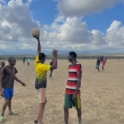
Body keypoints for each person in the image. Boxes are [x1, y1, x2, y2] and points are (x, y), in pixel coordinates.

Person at [33, 35, 58, 124]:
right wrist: (55, 56)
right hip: (41, 87)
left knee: (44, 101)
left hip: (37, 85)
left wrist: (38, 40)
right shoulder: (42, 66)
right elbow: (55, 66)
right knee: (42, 104)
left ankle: (36, 119)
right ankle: (39, 122)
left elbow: (38, 50)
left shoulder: (37, 61)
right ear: (43, 59)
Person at [0, 57, 26, 123]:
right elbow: (0, 79)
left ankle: (10, 111)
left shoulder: (14, 69)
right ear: (9, 61)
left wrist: (21, 82)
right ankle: (2, 115)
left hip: (11, 87)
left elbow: (14, 76)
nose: (15, 62)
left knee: (10, 99)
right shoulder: (4, 69)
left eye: (15, 61)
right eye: (14, 61)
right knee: (6, 101)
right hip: (5, 87)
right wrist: (0, 90)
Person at [64, 51, 82, 124]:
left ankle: (79, 122)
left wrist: (75, 92)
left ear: (72, 56)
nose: (68, 58)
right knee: (65, 108)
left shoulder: (78, 65)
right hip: (67, 91)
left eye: (69, 56)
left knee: (78, 108)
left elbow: (79, 80)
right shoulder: (69, 66)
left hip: (76, 92)